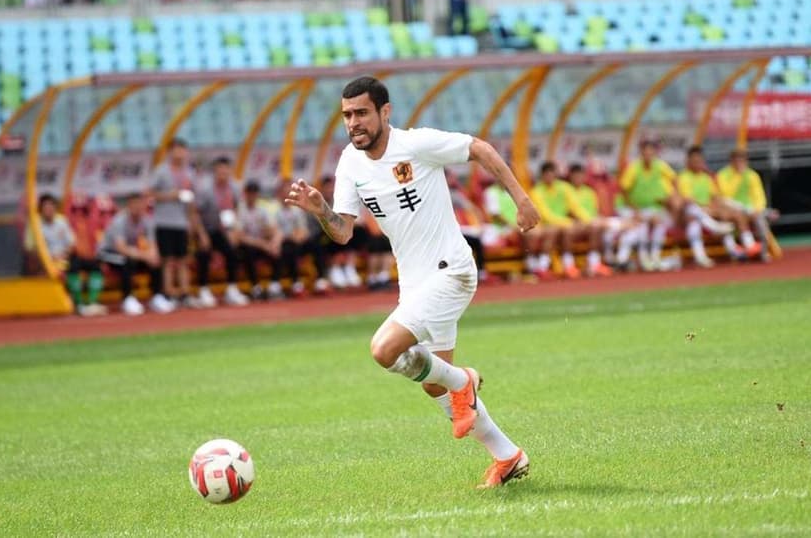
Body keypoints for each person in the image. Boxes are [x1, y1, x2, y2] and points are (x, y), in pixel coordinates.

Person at [285, 76, 540, 489]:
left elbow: (481, 149)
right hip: (416, 283)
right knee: (433, 384)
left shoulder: (416, 144)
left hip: (451, 270)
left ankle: (465, 381)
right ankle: (508, 455)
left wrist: (522, 200)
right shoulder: (350, 163)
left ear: (385, 113)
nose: (353, 122)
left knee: (384, 350)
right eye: (347, 115)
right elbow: (343, 232)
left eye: (362, 113)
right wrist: (320, 210)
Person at [147, 139, 207, 308]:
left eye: (183, 150)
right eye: (177, 150)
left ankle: (185, 294)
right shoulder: (161, 171)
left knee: (183, 260)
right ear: (170, 152)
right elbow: (148, 194)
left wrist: (193, 224)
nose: (181, 154)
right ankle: (168, 294)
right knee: (167, 260)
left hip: (182, 223)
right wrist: (168, 196)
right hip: (164, 222)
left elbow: (193, 201)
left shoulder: (189, 173)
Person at [98, 192, 176, 315]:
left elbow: (152, 244)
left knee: (155, 261)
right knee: (126, 261)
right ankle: (127, 298)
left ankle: (157, 296)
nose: (138, 207)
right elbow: (121, 247)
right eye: (135, 204)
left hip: (133, 252)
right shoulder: (119, 221)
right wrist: (145, 256)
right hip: (109, 253)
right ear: (128, 205)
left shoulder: (147, 220)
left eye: (140, 203)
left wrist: (153, 256)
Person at [530, 161, 610, 278]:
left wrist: (588, 221)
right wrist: (567, 222)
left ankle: (594, 264)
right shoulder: (536, 191)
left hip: (564, 224)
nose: (550, 177)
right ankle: (559, 266)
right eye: (547, 174)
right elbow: (545, 215)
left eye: (552, 174)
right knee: (560, 230)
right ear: (542, 176)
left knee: (595, 227)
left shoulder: (564, 187)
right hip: (546, 226)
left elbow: (575, 207)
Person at [194, 156, 250, 306]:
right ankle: (203, 290)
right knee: (204, 254)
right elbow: (195, 212)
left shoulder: (235, 187)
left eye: (226, 171)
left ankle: (232, 288)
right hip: (205, 227)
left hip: (224, 229)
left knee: (232, 252)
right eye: (220, 171)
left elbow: (236, 207)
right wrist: (201, 234)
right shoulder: (205, 189)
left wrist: (234, 229)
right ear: (215, 172)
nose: (223, 174)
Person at [619, 140, 682, 271]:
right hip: (634, 209)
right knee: (643, 226)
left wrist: (674, 195)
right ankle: (639, 258)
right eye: (645, 152)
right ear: (641, 153)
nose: (648, 154)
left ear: (654, 153)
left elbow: (674, 178)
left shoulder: (659, 166)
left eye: (650, 152)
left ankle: (654, 256)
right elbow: (624, 189)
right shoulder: (634, 168)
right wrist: (634, 209)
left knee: (659, 223)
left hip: (653, 209)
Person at [676, 146, 744, 266]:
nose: (698, 163)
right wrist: (706, 209)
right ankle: (702, 255)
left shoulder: (706, 178)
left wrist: (715, 208)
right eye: (695, 161)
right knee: (693, 216)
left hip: (706, 213)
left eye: (700, 160)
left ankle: (733, 250)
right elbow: (687, 200)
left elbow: (715, 197)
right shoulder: (683, 177)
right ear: (688, 162)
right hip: (686, 215)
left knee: (723, 217)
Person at [716, 148, 774, 260]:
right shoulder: (723, 175)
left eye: (742, 160)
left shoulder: (752, 175)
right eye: (737, 160)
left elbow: (759, 195)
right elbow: (724, 195)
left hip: (750, 209)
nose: (739, 163)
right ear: (731, 161)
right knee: (730, 214)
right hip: (730, 209)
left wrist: (758, 209)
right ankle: (739, 250)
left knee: (760, 219)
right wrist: (738, 176)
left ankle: (763, 252)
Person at [237, 181, 285, 300]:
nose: (252, 196)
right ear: (245, 194)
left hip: (262, 244)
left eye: (254, 194)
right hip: (248, 245)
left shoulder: (262, 210)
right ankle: (255, 287)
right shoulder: (240, 210)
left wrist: (275, 244)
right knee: (248, 252)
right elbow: (240, 236)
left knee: (279, 250)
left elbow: (276, 230)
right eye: (250, 193)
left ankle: (274, 286)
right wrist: (263, 244)